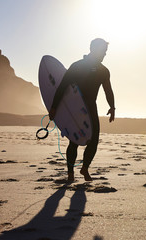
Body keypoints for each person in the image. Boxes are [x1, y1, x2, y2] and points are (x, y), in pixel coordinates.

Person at [49, 38, 115, 182]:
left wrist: (112, 106)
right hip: (75, 107)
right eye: (103, 51)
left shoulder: (103, 71)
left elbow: (108, 91)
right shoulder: (77, 66)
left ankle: (85, 168)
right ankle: (70, 173)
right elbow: (62, 87)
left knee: (94, 140)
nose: (105, 55)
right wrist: (54, 107)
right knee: (74, 140)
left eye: (105, 52)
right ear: (94, 49)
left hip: (91, 107)